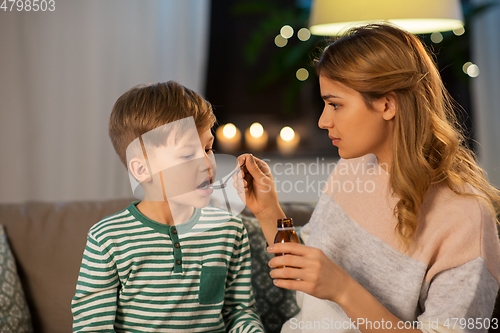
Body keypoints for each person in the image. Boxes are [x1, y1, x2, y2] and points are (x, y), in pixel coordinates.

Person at [235, 24, 500, 333]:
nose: (323, 120)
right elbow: (311, 283)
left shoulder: (464, 217)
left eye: (335, 104)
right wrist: (269, 212)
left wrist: (344, 290)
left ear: (387, 105)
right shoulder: (352, 168)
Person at [71, 81, 264, 332]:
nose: (207, 164)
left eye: (208, 148)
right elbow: (92, 327)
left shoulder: (230, 230)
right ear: (142, 169)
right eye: (187, 155)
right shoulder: (107, 239)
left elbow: (239, 311)